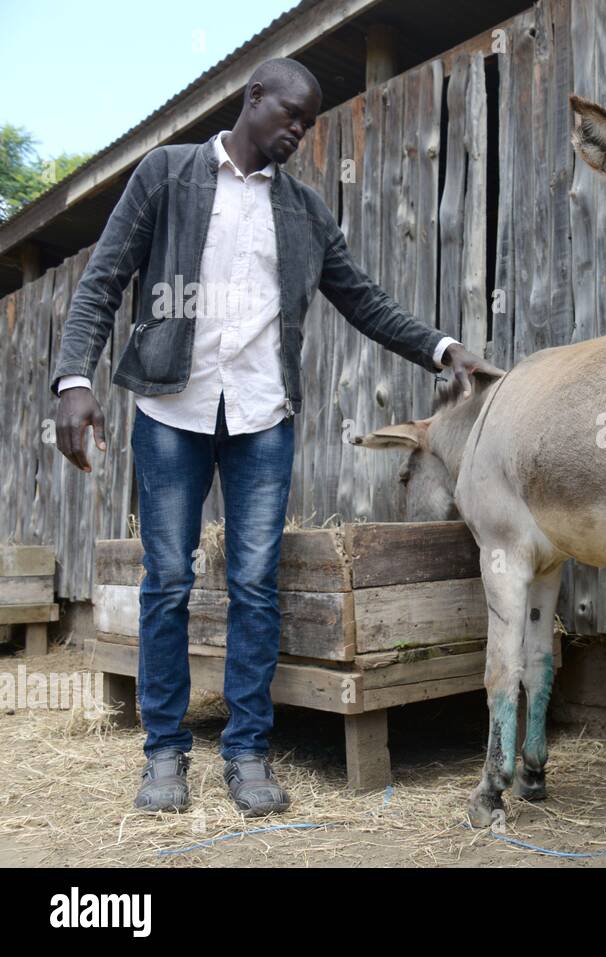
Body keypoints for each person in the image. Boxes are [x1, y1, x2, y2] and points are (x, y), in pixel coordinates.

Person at [50, 58, 501, 816]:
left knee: (257, 589)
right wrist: (74, 380)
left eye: (309, 123)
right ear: (251, 98)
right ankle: (164, 751)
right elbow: (102, 280)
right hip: (171, 413)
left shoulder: (303, 211)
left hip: (261, 419)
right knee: (167, 584)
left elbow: (363, 299)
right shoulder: (168, 175)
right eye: (289, 113)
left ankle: (248, 750)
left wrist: (441, 348)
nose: (297, 130)